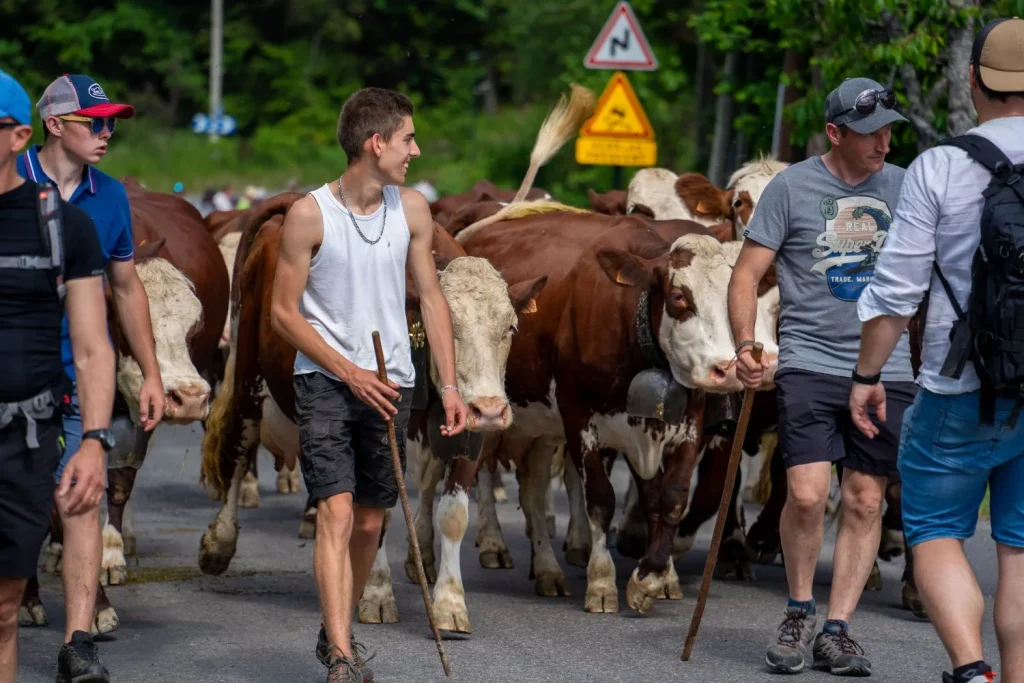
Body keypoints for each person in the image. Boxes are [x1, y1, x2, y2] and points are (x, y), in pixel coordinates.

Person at [270, 87, 469, 683]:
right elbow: (284, 312)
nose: (416, 149)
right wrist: (348, 371)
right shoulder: (309, 214)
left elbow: (431, 296)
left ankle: (340, 626)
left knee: (368, 519)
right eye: (408, 138)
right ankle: (340, 652)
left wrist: (451, 386)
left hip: (393, 382)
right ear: (374, 143)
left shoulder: (412, 210)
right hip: (328, 382)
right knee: (334, 512)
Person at [851, 17, 1024, 683]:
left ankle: (972, 671)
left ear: (973, 80)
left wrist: (868, 374)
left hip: (957, 390)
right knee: (1018, 549)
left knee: (935, 529)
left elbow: (896, 293)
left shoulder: (941, 166)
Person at [729, 76, 917, 676]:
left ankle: (837, 629)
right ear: (835, 133)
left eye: (888, 130)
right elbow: (745, 275)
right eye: (869, 133)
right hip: (809, 359)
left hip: (891, 369)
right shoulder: (792, 188)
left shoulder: (908, 187)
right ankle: (797, 608)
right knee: (808, 495)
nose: (882, 143)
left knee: (865, 501)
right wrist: (746, 343)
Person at [17, 73, 165, 681]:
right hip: (12, 373)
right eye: (94, 122)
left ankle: (77, 641)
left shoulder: (110, 197)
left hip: (80, 374)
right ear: (54, 125)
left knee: (84, 500)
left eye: (112, 123)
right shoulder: (9, 179)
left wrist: (151, 371)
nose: (107, 133)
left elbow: (126, 288)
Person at [0, 68, 115, 683]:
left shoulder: (65, 225)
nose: (106, 134)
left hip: (24, 439)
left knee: (4, 613)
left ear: (19, 136)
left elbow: (95, 350)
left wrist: (94, 442)